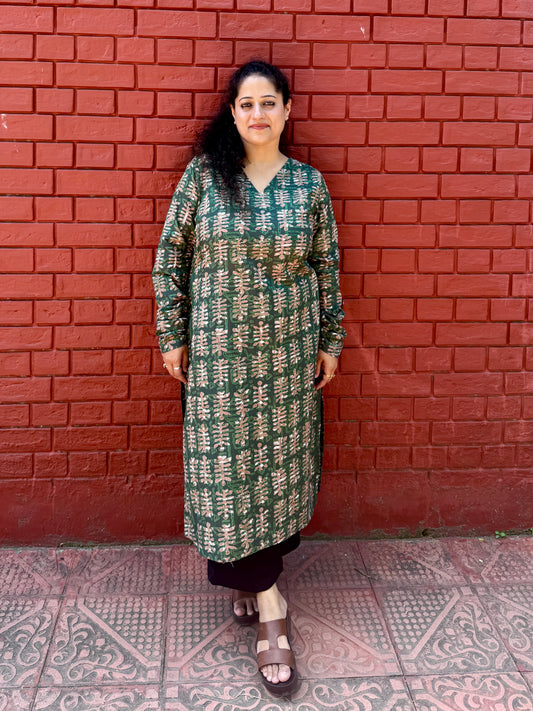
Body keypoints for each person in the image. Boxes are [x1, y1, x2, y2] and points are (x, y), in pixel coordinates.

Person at [152, 60, 346, 696]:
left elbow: (326, 266)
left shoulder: (308, 184)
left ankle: (262, 595)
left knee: (274, 475)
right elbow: (170, 257)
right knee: (228, 473)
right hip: (220, 359)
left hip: (286, 358)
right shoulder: (206, 178)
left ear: (287, 109)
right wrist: (172, 333)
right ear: (232, 114)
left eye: (269, 102)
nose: (257, 114)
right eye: (246, 104)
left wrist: (331, 340)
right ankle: (264, 595)